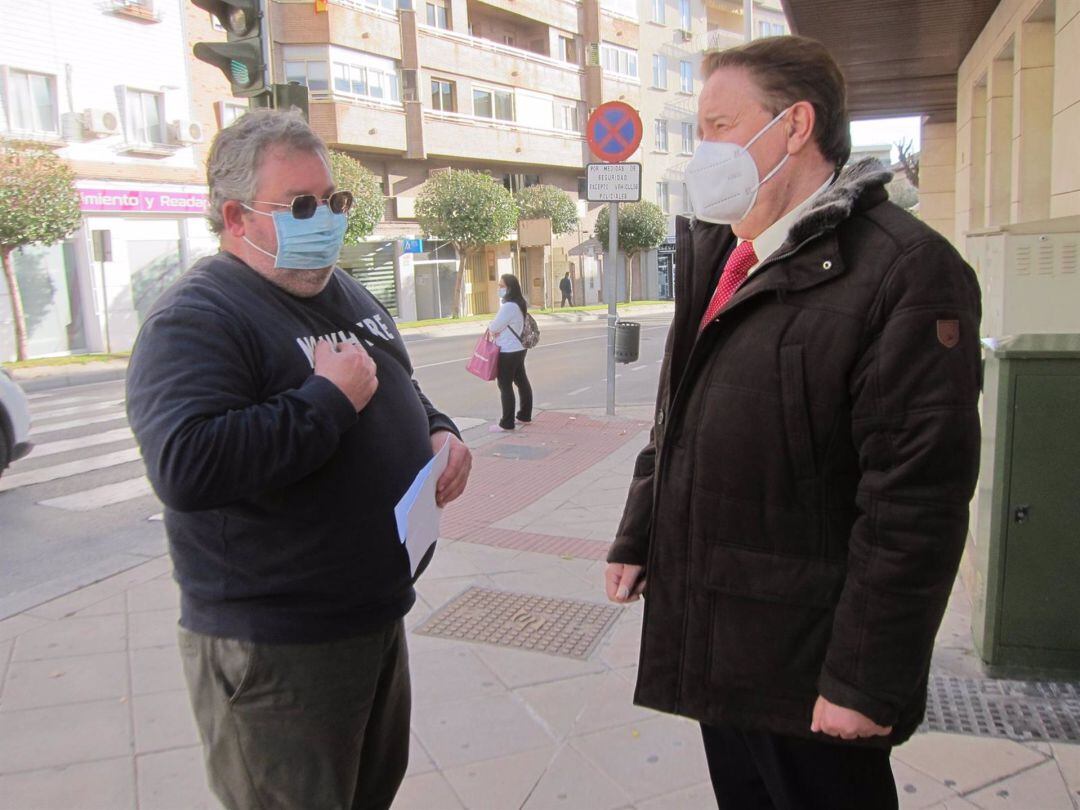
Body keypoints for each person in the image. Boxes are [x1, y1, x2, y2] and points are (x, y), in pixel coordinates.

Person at [604, 35, 981, 810]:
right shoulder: (723, 251)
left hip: (810, 665)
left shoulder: (904, 270)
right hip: (719, 633)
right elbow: (678, 410)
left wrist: (864, 681)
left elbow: (916, 499)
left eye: (716, 125)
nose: (700, 150)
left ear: (796, 126)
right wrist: (639, 532)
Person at [126, 109, 472, 810]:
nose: (327, 220)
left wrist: (438, 432)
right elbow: (187, 465)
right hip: (278, 648)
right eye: (302, 206)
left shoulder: (343, 289)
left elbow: (400, 385)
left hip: (370, 618)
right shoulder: (197, 318)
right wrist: (326, 403)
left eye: (334, 202)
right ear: (236, 217)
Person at [487, 273, 533, 431]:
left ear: (510, 288)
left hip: (507, 350)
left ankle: (507, 423)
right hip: (518, 348)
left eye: (501, 286)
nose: (499, 289)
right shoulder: (519, 303)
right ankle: (525, 415)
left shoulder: (508, 307)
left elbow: (493, 327)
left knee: (504, 385)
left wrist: (493, 326)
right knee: (521, 381)